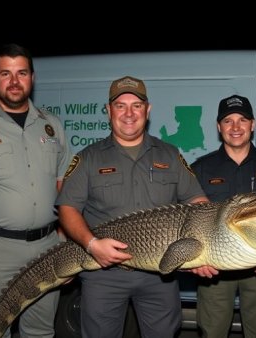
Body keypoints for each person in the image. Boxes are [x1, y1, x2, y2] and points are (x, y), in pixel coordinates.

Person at [56, 75, 211, 338]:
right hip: (104, 273)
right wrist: (92, 244)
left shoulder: (170, 155)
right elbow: (67, 208)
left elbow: (197, 201)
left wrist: (204, 248)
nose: (129, 113)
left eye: (136, 105)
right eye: (120, 105)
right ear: (108, 111)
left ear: (147, 110)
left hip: (160, 273)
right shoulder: (88, 158)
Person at [0, 43, 71, 337]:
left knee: (40, 330)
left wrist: (64, 239)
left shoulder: (52, 125)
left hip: (47, 245)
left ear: (32, 78)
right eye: (5, 73)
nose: (14, 81)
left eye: (21, 73)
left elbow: (64, 185)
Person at [190, 94, 256, 338]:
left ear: (253, 124)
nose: (235, 127)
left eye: (242, 120)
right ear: (218, 127)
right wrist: (195, 260)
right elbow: (186, 219)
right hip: (214, 269)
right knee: (212, 331)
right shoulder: (200, 169)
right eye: (228, 121)